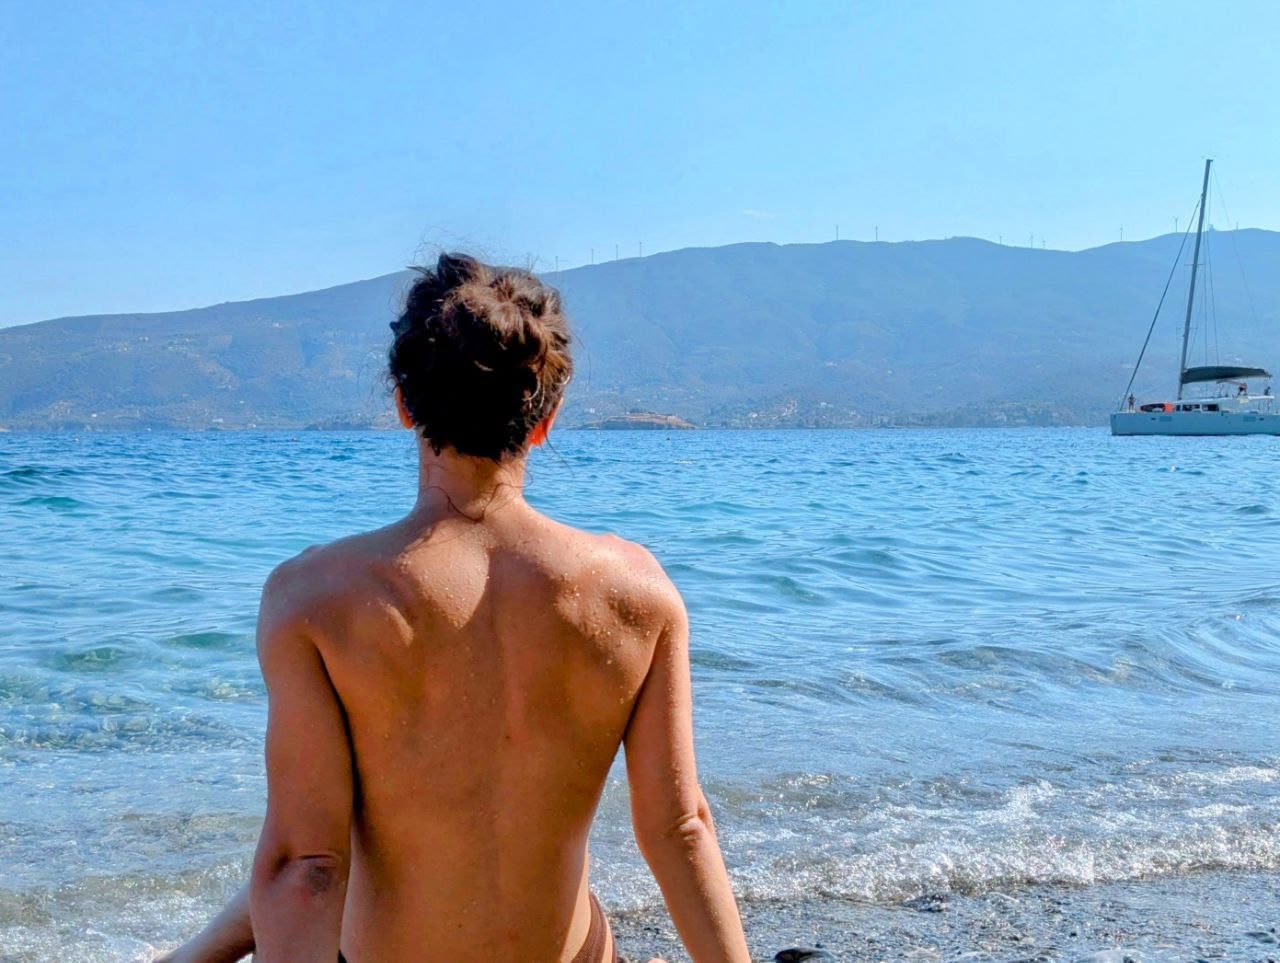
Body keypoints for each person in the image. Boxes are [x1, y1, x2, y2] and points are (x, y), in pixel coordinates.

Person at [158, 254, 750, 963]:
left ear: (406, 406)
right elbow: (681, 829)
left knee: (322, 839)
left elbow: (306, 868)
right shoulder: (639, 592)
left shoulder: (314, 597)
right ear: (546, 418)